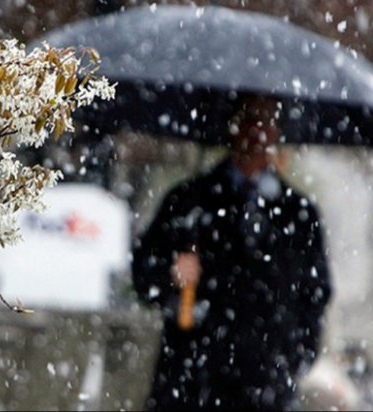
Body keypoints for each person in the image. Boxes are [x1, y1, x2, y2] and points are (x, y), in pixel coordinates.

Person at [132, 96, 332, 411]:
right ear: (232, 127)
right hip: (191, 378)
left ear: (278, 132)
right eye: (249, 119)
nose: (257, 131)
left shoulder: (299, 214)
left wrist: (294, 356)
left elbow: (315, 293)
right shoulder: (187, 201)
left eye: (267, 121)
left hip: (267, 383)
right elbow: (143, 275)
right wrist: (171, 272)